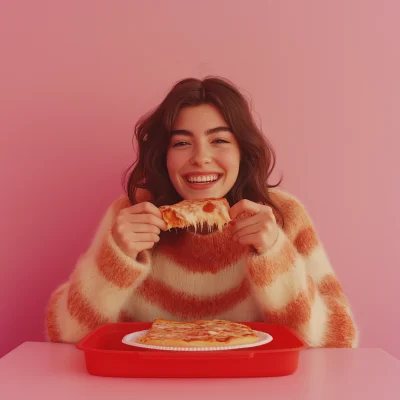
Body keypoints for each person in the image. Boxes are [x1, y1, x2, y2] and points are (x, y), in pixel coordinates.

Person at [45, 76, 358, 348]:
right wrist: (119, 256)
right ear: (163, 155)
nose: (201, 158)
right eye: (182, 143)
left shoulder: (282, 215)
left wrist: (275, 253)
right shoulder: (131, 215)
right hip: (147, 384)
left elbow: (340, 337)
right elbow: (65, 333)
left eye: (219, 140)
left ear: (242, 151)